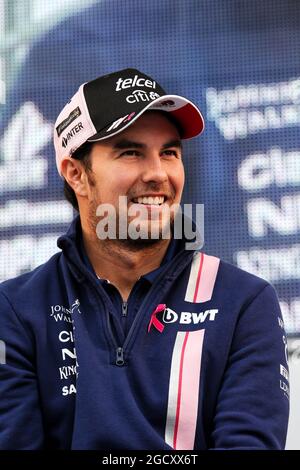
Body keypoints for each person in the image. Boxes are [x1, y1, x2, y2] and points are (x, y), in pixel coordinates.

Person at [0, 68, 289, 450]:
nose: (157, 174)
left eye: (169, 152)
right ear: (76, 174)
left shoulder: (244, 302)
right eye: (131, 152)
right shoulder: (15, 309)